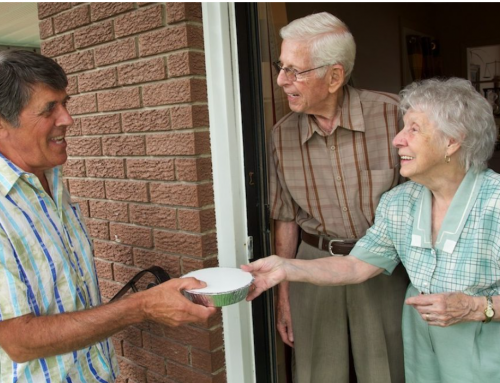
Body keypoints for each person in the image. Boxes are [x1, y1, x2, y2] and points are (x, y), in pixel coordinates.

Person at [245, 77, 500, 382]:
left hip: (485, 353)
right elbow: (355, 265)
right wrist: (285, 268)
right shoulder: (399, 202)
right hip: (423, 355)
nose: (397, 139)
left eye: (414, 129)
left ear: (452, 140)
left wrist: (474, 307)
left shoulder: (494, 202)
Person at [0, 50, 216, 382]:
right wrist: (142, 306)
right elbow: (17, 340)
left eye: (65, 103)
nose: (67, 118)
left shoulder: (51, 180)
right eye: (48, 109)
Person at [267, 12, 409, 383]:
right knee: (317, 374)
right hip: (312, 265)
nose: (282, 80)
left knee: (388, 372)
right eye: (282, 67)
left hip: (384, 263)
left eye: (295, 70)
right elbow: (285, 218)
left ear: (334, 76)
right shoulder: (280, 137)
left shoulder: (395, 116)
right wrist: (284, 296)